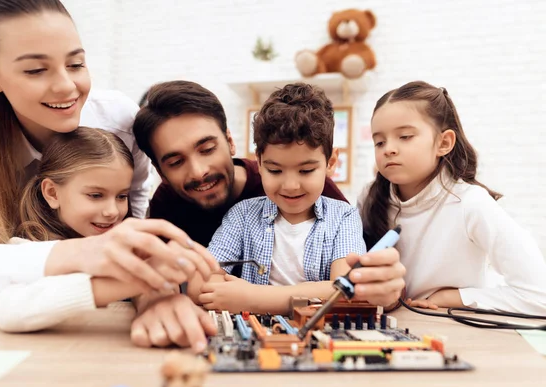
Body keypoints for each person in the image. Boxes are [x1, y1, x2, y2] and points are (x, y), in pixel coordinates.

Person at [0, 0, 218, 352]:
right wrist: (83, 253)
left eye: (76, 64)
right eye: (35, 70)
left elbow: (133, 217)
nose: (67, 87)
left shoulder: (118, 119)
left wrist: (155, 294)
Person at [133, 81, 404, 291]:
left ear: (230, 142)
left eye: (206, 149)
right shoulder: (226, 213)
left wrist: (253, 297)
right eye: (176, 161)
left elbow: (349, 288)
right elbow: (156, 280)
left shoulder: (337, 212)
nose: (199, 171)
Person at [359, 80, 546, 314]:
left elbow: (540, 295)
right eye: (379, 141)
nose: (389, 149)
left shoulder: (471, 203)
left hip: (452, 330)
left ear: (444, 143)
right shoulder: (369, 196)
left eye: (405, 136)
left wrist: (453, 297)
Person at [0, 127, 160, 332]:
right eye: (96, 195)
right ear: (52, 193)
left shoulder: (130, 249)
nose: (112, 211)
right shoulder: (23, 249)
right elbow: (9, 313)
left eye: (122, 196)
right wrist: (135, 282)